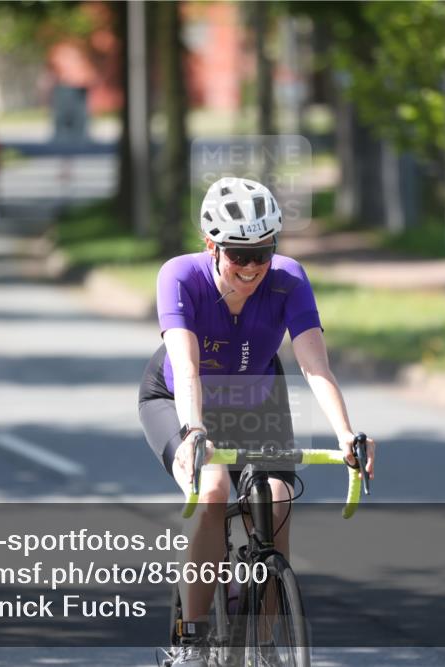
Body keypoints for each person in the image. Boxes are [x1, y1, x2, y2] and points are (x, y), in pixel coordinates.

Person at [138, 177, 376, 666]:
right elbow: (185, 366)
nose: (251, 267)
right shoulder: (179, 276)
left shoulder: (288, 279)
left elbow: (315, 366)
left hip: (255, 399)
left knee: (277, 498)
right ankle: (190, 641)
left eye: (262, 253)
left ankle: (263, 644)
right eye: (238, 255)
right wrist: (194, 432)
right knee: (215, 490)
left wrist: (347, 434)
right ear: (211, 246)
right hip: (180, 399)